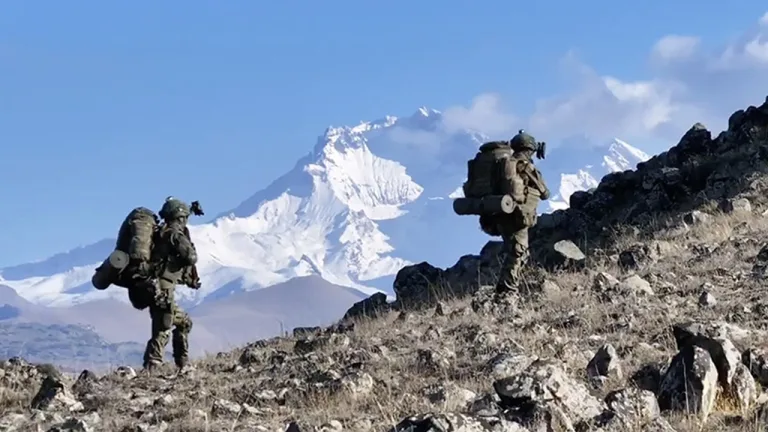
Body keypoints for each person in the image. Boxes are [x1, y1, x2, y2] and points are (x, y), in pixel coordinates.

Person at [142, 197, 199, 372]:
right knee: (163, 325)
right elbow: (190, 256)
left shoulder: (161, 232)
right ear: (180, 217)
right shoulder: (174, 234)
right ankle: (154, 365)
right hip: (163, 287)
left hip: (153, 285)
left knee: (180, 322)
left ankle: (181, 363)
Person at [494, 130, 550, 296]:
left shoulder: (503, 165)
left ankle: (505, 288)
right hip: (518, 217)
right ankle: (507, 291)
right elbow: (545, 193)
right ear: (529, 149)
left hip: (501, 213)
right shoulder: (525, 166)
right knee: (518, 252)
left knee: (514, 250)